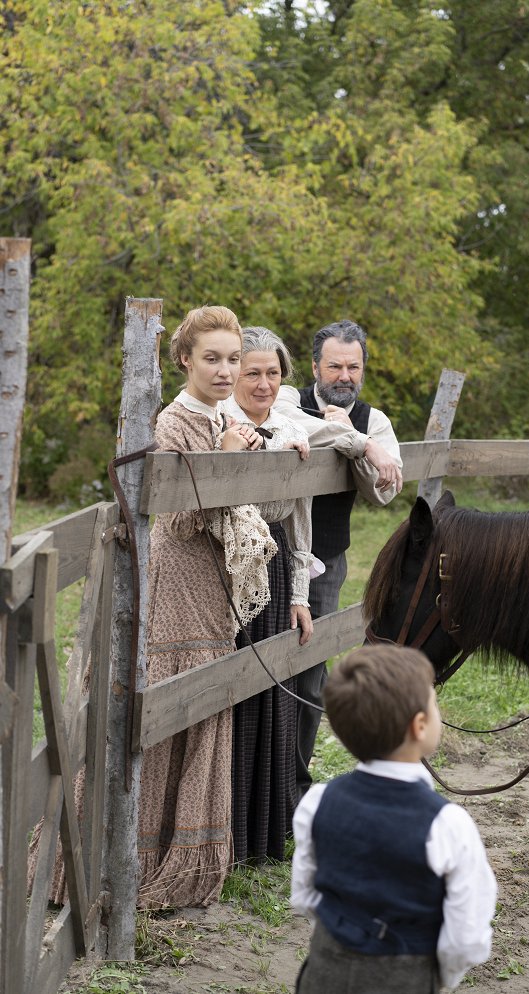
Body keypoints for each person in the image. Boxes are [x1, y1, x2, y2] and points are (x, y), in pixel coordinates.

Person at [137, 305, 271, 909]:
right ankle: (141, 857)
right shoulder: (174, 421)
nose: (225, 370)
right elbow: (183, 514)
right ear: (185, 359)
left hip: (211, 581)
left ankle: (190, 859)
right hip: (177, 576)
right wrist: (227, 450)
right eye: (212, 358)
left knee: (207, 699)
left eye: (232, 359)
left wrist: (244, 448)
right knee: (173, 707)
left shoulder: (224, 415)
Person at [291, 645, 497, 993]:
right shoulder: (448, 824)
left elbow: (305, 895)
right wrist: (438, 979)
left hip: (325, 971)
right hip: (406, 976)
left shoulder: (317, 801)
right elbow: (466, 936)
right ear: (419, 726)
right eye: (434, 703)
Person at [274, 319, 403, 800]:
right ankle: (253, 785)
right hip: (266, 554)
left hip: (325, 560)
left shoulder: (375, 420)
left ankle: (293, 788)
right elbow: (286, 424)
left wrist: (357, 438)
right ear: (314, 367)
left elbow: (385, 493)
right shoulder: (285, 398)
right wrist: (353, 441)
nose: (344, 376)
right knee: (252, 665)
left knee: (309, 673)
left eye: (354, 366)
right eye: (335, 366)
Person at [220, 326, 313, 864]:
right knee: (225, 691)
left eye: (271, 373)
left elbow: (300, 525)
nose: (262, 383)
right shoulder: (218, 424)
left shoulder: (291, 426)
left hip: (272, 571)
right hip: (224, 571)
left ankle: (260, 834)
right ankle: (223, 831)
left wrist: (300, 594)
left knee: (270, 692)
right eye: (251, 372)